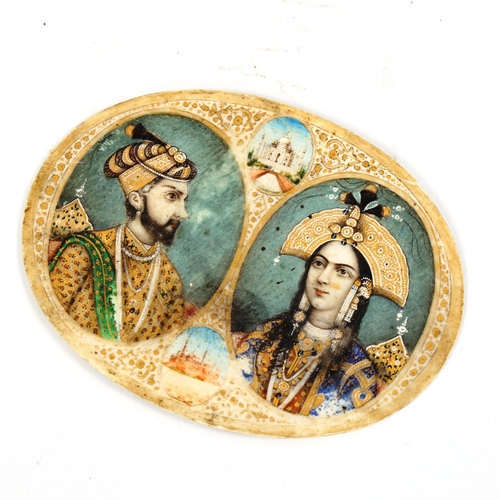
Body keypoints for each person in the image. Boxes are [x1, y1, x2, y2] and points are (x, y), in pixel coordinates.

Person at [235, 184, 409, 416]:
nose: (323, 278)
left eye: (342, 271)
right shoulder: (267, 334)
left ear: (359, 288)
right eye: (319, 263)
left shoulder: (355, 371)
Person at [49, 123, 197, 342]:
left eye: (184, 200)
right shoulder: (82, 253)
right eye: (171, 196)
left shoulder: (170, 280)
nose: (183, 214)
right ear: (136, 199)